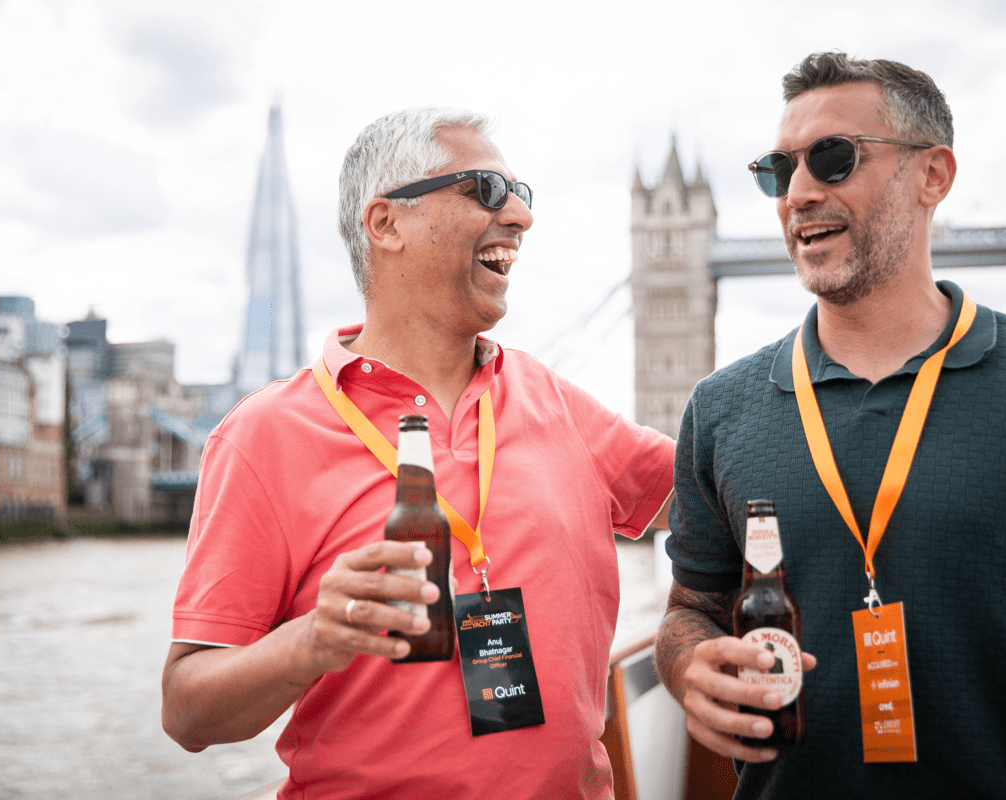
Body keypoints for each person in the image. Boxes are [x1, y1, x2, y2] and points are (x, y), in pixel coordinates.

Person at [161, 107, 675, 799]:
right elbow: (187, 711)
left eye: (522, 195)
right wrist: (313, 640)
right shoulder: (262, 437)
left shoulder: (555, 401)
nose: (521, 217)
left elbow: (722, 495)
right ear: (386, 224)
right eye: (487, 190)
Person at [656, 51, 1006, 799]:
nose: (799, 193)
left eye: (833, 159)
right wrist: (687, 666)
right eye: (778, 170)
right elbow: (692, 609)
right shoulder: (720, 408)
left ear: (933, 175)